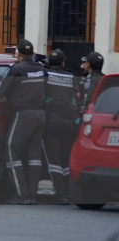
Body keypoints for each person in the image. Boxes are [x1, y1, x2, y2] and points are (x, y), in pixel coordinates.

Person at [0, 39, 47, 205]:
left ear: (18, 53)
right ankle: (32, 194)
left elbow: (1, 91)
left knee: (11, 149)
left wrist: (10, 105)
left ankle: (21, 194)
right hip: (40, 114)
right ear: (32, 53)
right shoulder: (41, 68)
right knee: (34, 155)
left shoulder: (16, 69)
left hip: (23, 114)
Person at [41, 49, 77, 204]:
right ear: (63, 63)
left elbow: (41, 96)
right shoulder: (72, 78)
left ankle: (61, 193)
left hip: (52, 121)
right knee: (66, 157)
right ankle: (70, 191)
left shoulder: (46, 76)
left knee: (54, 159)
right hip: (69, 122)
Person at [76, 51, 105, 120]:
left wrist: (81, 113)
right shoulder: (105, 78)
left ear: (88, 64)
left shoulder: (89, 79)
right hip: (103, 115)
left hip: (90, 117)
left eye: (85, 63)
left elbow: (87, 98)